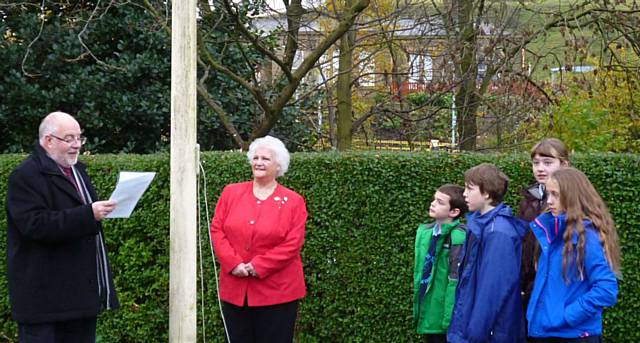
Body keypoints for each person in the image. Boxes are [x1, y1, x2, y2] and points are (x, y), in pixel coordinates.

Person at [6, 112, 119, 342]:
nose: (76, 145)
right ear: (48, 141)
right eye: (69, 138)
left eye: (79, 138)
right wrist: (88, 214)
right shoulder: (25, 176)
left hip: (78, 300)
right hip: (44, 304)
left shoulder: (78, 173)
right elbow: (34, 225)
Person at [210, 136, 307, 343]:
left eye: (266, 159)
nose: (259, 162)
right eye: (256, 157)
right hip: (235, 288)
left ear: (278, 165)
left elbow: (293, 243)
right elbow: (217, 230)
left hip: (277, 292)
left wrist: (257, 265)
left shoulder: (294, 201)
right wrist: (233, 263)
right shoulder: (231, 193)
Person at [527, 168, 620, 342]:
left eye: (556, 195)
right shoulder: (552, 231)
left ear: (573, 196)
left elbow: (606, 289)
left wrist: (568, 316)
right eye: (548, 194)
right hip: (547, 332)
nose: (549, 201)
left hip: (573, 335)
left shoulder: (587, 236)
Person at [447, 163, 527, 343]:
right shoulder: (480, 226)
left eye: (469, 188)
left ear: (487, 193)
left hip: (490, 334)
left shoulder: (498, 232)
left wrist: (474, 334)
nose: (464, 194)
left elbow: (492, 290)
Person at [518, 138, 570, 323]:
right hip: (530, 283)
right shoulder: (529, 198)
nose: (540, 168)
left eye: (548, 163)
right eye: (536, 163)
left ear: (564, 164)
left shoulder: (570, 200)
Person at [413, 184, 468, 342]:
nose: (433, 204)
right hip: (429, 309)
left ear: (454, 212)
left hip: (444, 314)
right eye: (434, 199)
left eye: (440, 202)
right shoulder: (426, 233)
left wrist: (448, 318)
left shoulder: (457, 237)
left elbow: (454, 280)